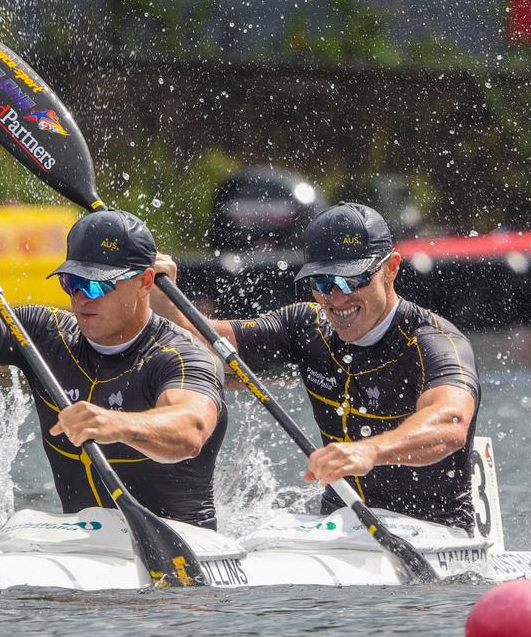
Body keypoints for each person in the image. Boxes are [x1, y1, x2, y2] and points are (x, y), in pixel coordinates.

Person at [0, 166, 226, 528]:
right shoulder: (45, 335)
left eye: (99, 286)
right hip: (82, 545)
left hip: (181, 547)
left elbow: (189, 431)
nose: (82, 297)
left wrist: (114, 424)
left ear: (145, 282)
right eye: (72, 282)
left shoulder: (181, 354)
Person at [153, 201, 480, 531]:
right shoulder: (306, 326)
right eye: (323, 283)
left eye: (353, 280)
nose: (337, 299)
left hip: (435, 530)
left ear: (391, 268)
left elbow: (450, 426)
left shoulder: (434, 342)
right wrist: (160, 298)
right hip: (341, 527)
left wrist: (370, 451)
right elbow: (207, 345)